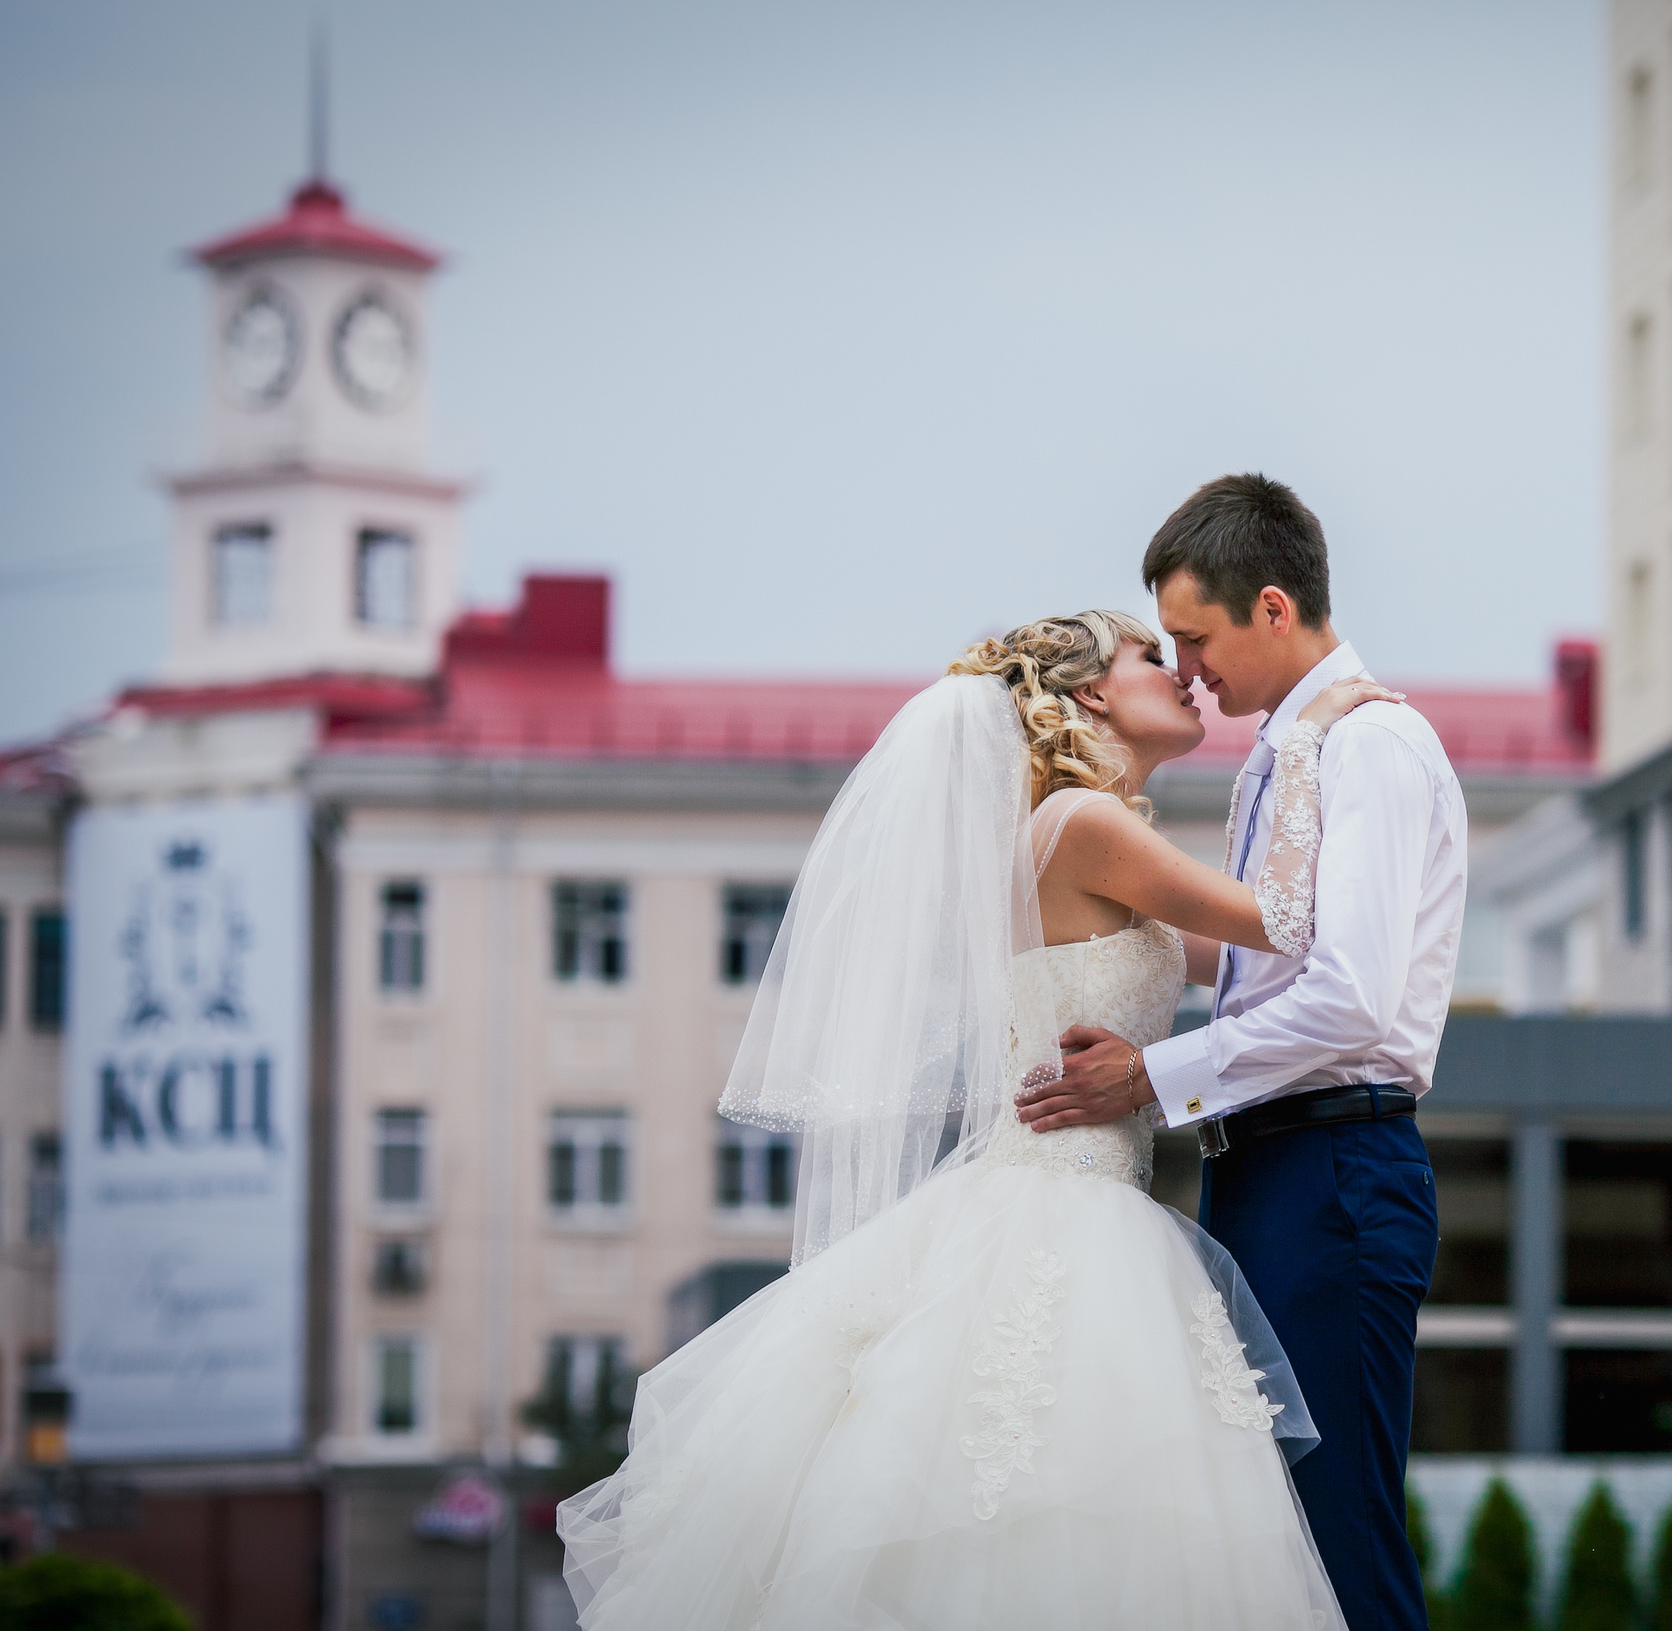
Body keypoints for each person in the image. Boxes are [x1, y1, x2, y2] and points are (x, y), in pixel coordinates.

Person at [557, 608, 1394, 1630]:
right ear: (1087, 693)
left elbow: (1255, 963)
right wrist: (1306, 741)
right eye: (1146, 655)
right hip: (1070, 1216)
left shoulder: (1075, 834)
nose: (1179, 673)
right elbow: (1286, 923)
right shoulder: (1086, 827)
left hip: (1058, 1196)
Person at [1015, 475, 1466, 1631]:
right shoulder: (1300, 750)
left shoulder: (1365, 745)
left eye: (1196, 638)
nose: (1187, 669)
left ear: (1272, 607)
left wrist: (1151, 1074)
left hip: (1332, 1169)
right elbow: (1272, 954)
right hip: (1269, 1168)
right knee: (1268, 1550)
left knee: (1333, 1536)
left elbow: (1353, 995)